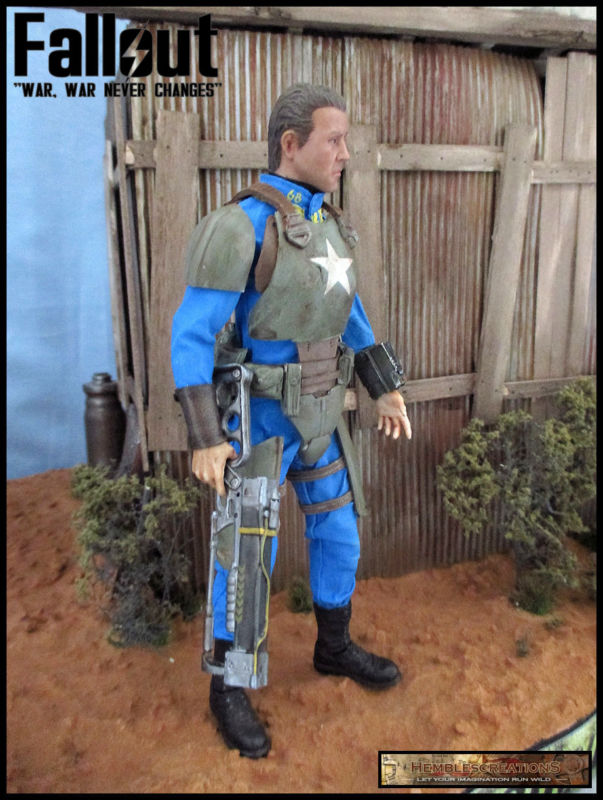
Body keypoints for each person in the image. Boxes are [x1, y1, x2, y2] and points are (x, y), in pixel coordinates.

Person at [172, 83, 412, 759]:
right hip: (258, 420)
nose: (344, 153)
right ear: (290, 143)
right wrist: (205, 435)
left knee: (338, 531)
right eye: (333, 140)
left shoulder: (328, 225)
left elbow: (347, 311)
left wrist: (383, 386)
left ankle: (333, 647)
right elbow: (191, 332)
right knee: (248, 551)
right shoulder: (238, 226)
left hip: (320, 413)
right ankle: (229, 685)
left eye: (344, 140)